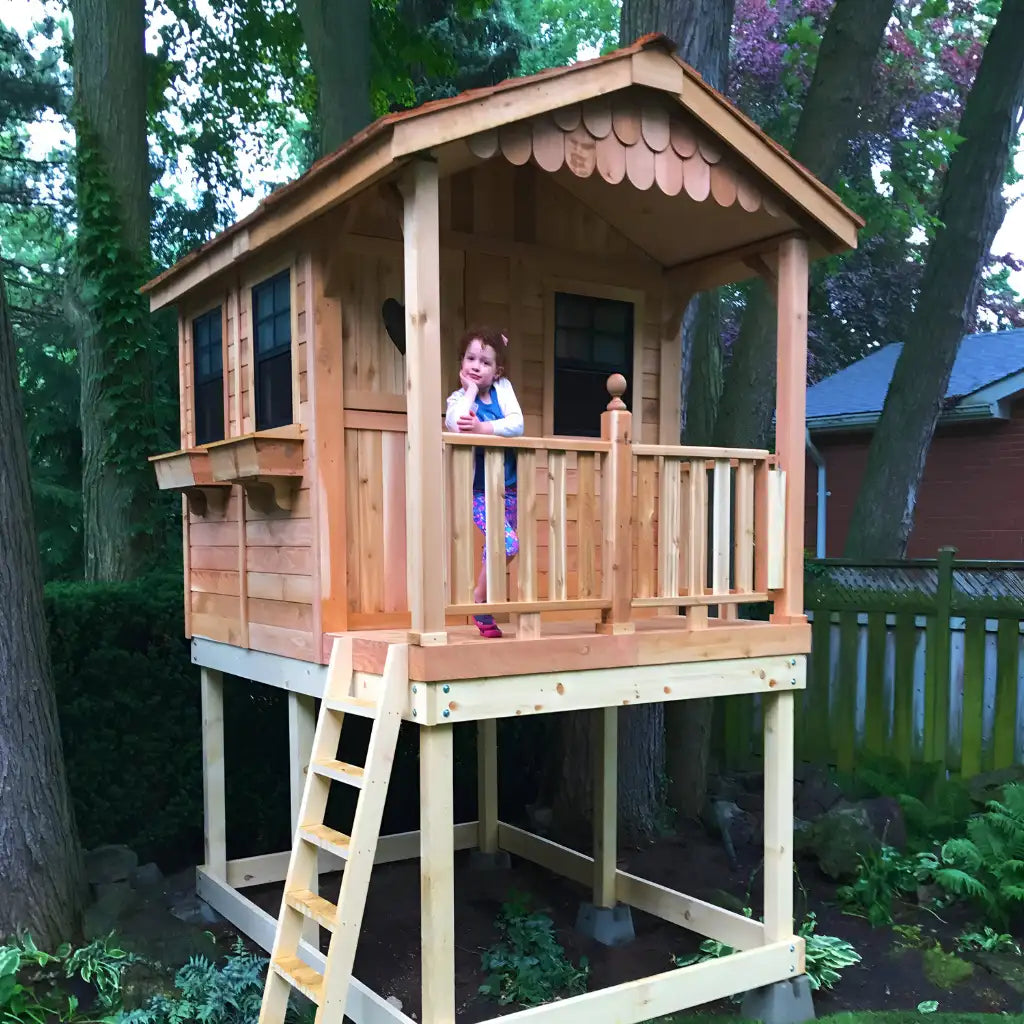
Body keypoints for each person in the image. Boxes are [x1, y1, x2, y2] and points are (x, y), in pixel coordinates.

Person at [445, 326, 523, 638]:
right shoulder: (458, 398)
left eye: (485, 362)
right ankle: (480, 597)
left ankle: (484, 612)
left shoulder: (504, 389)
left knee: (500, 549)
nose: (477, 366)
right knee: (507, 543)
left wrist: (482, 427)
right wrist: (471, 392)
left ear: (497, 370)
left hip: (510, 487)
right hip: (478, 490)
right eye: (471, 358)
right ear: (462, 364)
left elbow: (517, 424)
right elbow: (458, 424)